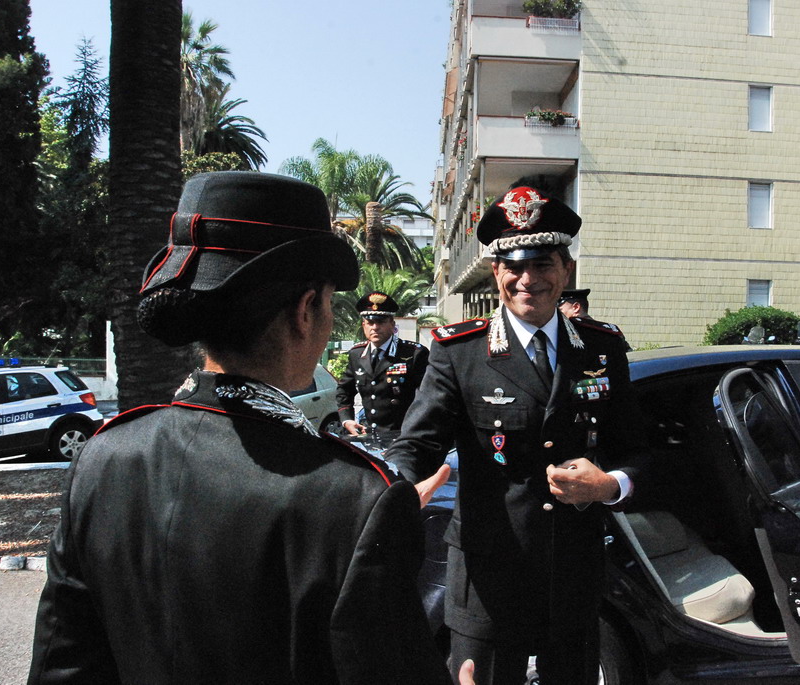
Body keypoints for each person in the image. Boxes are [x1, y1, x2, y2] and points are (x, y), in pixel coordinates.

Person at [27, 171, 471, 685]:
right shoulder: (355, 497)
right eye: (330, 302)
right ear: (306, 310)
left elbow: (63, 664)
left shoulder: (103, 457)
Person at [387, 185, 649, 685]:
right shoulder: (460, 351)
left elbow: (637, 450)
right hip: (487, 581)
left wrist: (609, 485)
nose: (528, 279)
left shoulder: (602, 348)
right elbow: (417, 444)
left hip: (573, 577)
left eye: (543, 264)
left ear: (566, 270)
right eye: (514, 266)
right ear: (497, 272)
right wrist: (396, 488)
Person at [336, 291, 429, 442]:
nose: (375, 327)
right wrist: (347, 419)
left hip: (403, 436)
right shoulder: (357, 354)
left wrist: (415, 431)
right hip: (369, 435)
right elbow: (344, 390)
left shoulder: (413, 353)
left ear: (392, 324)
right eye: (370, 323)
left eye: (380, 322)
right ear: (364, 325)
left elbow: (427, 397)